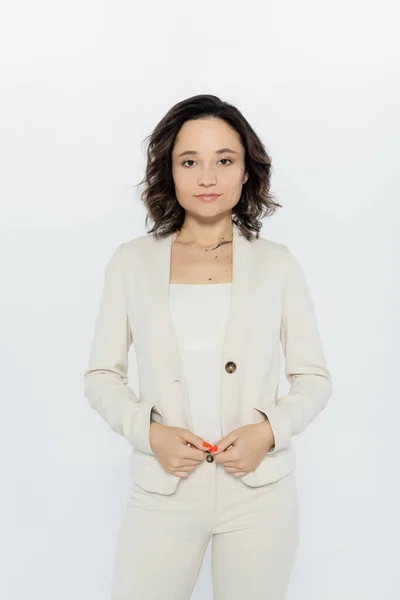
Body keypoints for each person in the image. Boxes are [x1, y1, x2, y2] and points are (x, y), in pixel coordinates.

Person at [83, 94, 333, 600]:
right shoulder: (132, 262)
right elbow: (101, 376)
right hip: (163, 488)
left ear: (246, 172)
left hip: (260, 493)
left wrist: (270, 430)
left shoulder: (278, 264)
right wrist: (148, 434)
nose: (207, 178)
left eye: (224, 160)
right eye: (189, 161)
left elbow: (313, 378)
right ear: (169, 172)